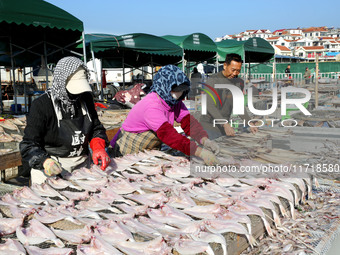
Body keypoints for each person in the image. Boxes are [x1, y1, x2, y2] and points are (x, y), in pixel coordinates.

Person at [20, 56, 111, 185]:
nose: (77, 95)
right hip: (52, 168)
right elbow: (29, 144)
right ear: (61, 82)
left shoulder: (86, 99)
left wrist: (98, 147)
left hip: (82, 166)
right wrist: (45, 162)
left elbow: (96, 128)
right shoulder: (42, 105)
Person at [111, 64, 219, 166]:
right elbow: (169, 135)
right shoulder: (151, 105)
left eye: (182, 90)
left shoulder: (173, 101)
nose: (179, 94)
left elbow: (188, 122)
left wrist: (204, 139)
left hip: (149, 152)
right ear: (164, 86)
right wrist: (199, 152)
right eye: (176, 90)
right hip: (129, 151)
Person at [199, 53, 258, 139]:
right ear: (225, 66)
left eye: (238, 70)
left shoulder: (238, 82)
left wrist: (249, 122)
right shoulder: (213, 80)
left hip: (224, 126)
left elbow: (239, 106)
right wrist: (225, 124)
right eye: (233, 70)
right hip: (209, 126)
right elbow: (209, 105)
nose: (235, 73)